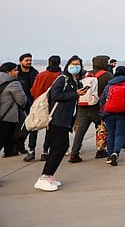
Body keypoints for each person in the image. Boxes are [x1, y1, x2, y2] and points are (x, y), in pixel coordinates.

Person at [34, 55, 87, 191]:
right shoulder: (62, 79)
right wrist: (75, 94)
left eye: (78, 64)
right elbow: (55, 95)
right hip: (57, 119)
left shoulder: (74, 81)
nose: (75, 66)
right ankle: (45, 176)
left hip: (65, 120)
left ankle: (48, 175)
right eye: (73, 64)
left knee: (57, 147)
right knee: (61, 146)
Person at [70, 54, 113, 162]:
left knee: (80, 131)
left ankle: (74, 154)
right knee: (101, 128)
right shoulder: (107, 75)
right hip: (98, 107)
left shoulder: (86, 75)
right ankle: (100, 150)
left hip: (83, 106)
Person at [30, 55, 62, 161]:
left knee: (34, 127)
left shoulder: (41, 75)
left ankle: (31, 150)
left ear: (49, 63)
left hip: (39, 104)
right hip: (54, 106)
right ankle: (45, 151)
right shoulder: (60, 76)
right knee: (50, 129)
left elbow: (33, 91)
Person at [99, 66, 125, 166]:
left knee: (110, 133)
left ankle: (110, 155)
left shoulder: (110, 83)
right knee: (120, 134)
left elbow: (103, 98)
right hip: (122, 112)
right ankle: (115, 152)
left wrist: (102, 112)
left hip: (109, 112)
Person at [0, 63, 27, 158]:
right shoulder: (14, 83)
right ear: (8, 72)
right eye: (15, 70)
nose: (17, 72)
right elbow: (22, 100)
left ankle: (10, 151)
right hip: (8, 115)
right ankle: (9, 151)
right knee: (7, 135)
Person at [16, 53, 39, 159]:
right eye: (26, 60)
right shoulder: (16, 73)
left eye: (30, 60)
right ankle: (17, 146)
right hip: (19, 103)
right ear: (21, 62)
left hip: (33, 103)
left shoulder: (35, 73)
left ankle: (28, 148)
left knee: (32, 127)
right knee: (19, 127)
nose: (29, 62)